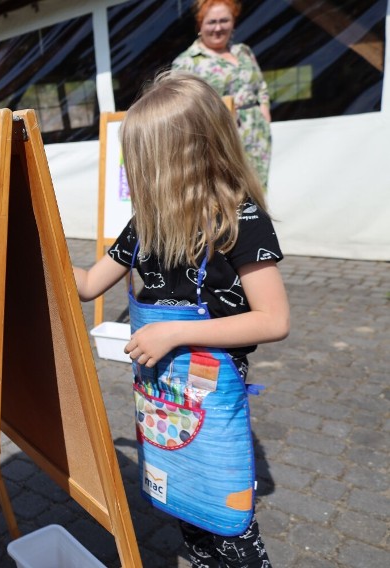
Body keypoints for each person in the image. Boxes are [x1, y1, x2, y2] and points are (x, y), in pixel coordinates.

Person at [74, 73, 289, 567]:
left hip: (213, 413)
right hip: (164, 412)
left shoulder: (240, 219)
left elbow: (274, 320)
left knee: (231, 531)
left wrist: (175, 332)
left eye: (143, 160)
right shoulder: (146, 226)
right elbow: (87, 284)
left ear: (183, 157)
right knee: (189, 520)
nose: (135, 171)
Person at [172, 0, 272, 188]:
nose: (218, 28)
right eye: (212, 22)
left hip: (257, 136)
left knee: (258, 194)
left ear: (233, 22)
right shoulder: (187, 62)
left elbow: (260, 86)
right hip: (221, 141)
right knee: (230, 194)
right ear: (200, 24)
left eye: (224, 21)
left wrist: (264, 110)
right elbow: (179, 107)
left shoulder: (244, 52)